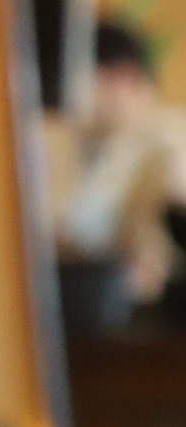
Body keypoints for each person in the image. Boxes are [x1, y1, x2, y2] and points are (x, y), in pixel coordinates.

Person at [55, 20, 186, 330]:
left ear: (124, 77)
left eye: (87, 80)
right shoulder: (92, 140)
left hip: (146, 321)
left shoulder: (167, 139)